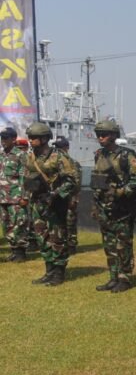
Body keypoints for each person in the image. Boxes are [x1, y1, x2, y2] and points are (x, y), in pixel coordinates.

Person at [22, 122, 79, 285]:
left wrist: (55, 194)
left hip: (54, 203)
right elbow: (27, 178)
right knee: (42, 237)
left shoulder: (59, 157)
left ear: (45, 138)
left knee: (57, 238)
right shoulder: (31, 156)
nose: (31, 140)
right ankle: (49, 271)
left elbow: (71, 181)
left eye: (34, 137)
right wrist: (26, 196)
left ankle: (59, 273)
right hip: (37, 202)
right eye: (30, 137)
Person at [90, 119, 136, 293]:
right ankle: (113, 277)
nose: (100, 138)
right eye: (98, 135)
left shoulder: (127, 155)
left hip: (122, 209)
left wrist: (120, 192)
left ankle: (125, 278)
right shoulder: (99, 154)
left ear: (113, 135)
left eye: (104, 134)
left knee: (123, 245)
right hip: (104, 207)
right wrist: (96, 204)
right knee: (109, 245)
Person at [0, 127, 30, 262]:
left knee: (18, 223)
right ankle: (13, 250)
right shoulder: (1, 155)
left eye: (6, 138)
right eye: (2, 138)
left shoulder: (21, 155)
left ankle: (20, 252)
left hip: (16, 197)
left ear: (13, 139)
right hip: (2, 197)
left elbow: (25, 177)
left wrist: (25, 197)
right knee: (6, 224)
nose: (3, 141)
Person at [53, 136, 81, 255]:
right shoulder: (54, 161)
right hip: (58, 196)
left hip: (70, 196)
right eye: (56, 147)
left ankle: (71, 245)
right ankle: (60, 243)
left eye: (60, 147)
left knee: (70, 221)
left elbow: (77, 182)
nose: (58, 150)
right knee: (58, 222)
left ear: (67, 148)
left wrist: (74, 198)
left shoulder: (73, 163)